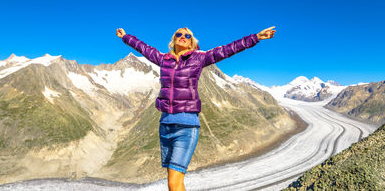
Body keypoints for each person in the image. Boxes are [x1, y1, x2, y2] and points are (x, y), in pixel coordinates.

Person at [116, 26, 276, 191]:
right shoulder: (164, 59)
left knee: (173, 181)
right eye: (179, 34)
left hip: (186, 126)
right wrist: (125, 37)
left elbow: (228, 49)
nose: (183, 36)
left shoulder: (199, 58)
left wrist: (256, 37)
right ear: (173, 41)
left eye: (188, 35)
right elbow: (144, 48)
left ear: (192, 42)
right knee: (176, 182)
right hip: (165, 125)